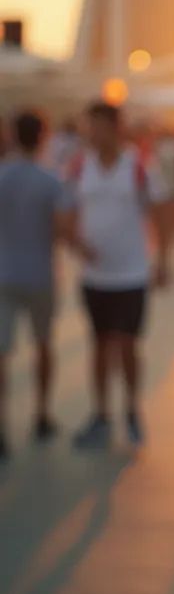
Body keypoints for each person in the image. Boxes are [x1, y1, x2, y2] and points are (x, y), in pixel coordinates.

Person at [62, 101, 168, 449]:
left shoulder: (138, 166)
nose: (91, 133)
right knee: (99, 344)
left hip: (131, 275)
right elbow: (66, 214)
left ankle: (131, 410)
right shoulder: (80, 167)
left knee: (127, 345)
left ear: (114, 127)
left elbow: (157, 213)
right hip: (94, 277)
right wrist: (76, 244)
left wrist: (163, 261)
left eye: (97, 126)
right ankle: (101, 415)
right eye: (88, 126)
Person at [0, 112, 69, 457]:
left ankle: (1, 425)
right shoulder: (50, 180)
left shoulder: (2, 176)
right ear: (43, 136)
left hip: (4, 273)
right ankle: (41, 414)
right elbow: (61, 230)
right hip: (40, 273)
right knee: (44, 345)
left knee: (2, 352)